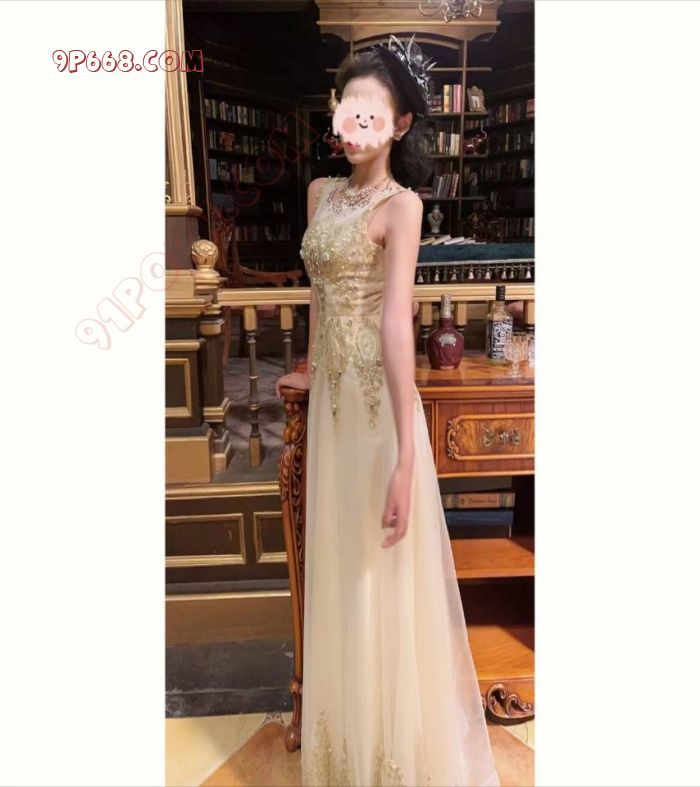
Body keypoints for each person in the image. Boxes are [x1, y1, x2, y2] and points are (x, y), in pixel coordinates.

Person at [276, 35, 501, 787]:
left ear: (400, 124)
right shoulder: (319, 193)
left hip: (376, 412)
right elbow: (318, 295)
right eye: (348, 108)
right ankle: (344, 744)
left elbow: (396, 323)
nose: (355, 123)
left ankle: (390, 754)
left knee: (377, 570)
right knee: (339, 563)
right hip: (333, 406)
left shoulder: (402, 206)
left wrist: (408, 454)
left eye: (371, 111)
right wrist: (309, 373)